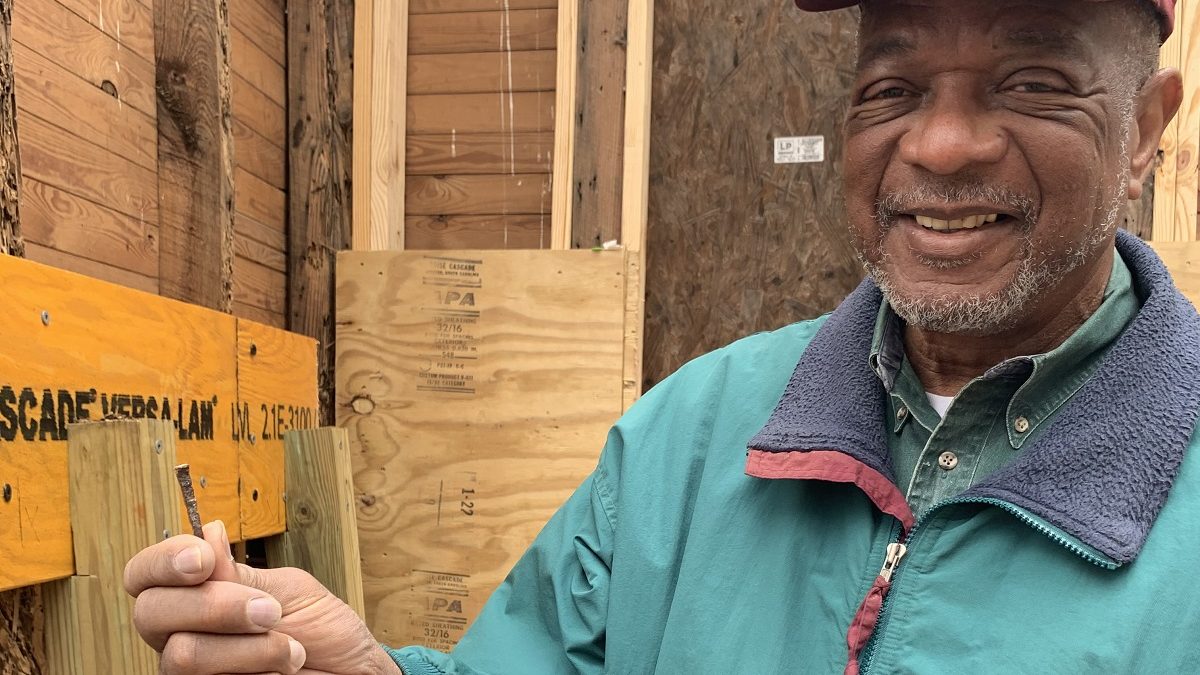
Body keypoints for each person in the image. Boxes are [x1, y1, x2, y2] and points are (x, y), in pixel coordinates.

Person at [124, 0, 1200, 672]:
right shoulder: (694, 433)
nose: (944, 142)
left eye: (1031, 82)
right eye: (894, 86)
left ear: (1145, 128)